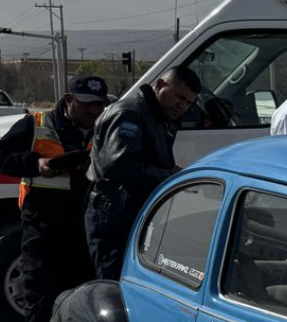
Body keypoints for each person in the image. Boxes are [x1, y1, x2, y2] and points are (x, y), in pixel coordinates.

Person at [0, 73, 109, 322]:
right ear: (68, 99)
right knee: (40, 295)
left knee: (83, 294)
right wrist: (36, 163)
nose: (94, 110)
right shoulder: (36, 124)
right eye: (87, 103)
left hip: (85, 226)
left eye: (99, 105)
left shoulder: (102, 128)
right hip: (43, 227)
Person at [83, 66, 201, 280]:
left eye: (188, 103)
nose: (182, 106)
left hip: (132, 211)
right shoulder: (131, 113)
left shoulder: (157, 116)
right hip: (114, 214)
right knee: (113, 284)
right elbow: (118, 167)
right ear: (160, 86)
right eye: (179, 97)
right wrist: (171, 177)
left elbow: (147, 161)